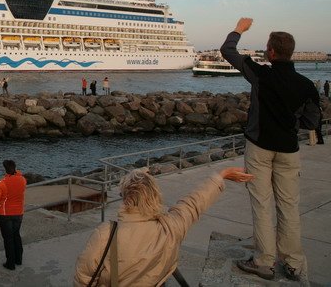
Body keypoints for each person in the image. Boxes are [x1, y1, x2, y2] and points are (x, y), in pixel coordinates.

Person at [221, 17, 320, 281]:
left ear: (272, 52)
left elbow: (227, 52)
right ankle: (293, 263)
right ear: (291, 53)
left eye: (267, 47)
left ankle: (264, 261)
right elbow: (312, 121)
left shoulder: (260, 74)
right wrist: (290, 123)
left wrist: (238, 29)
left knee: (262, 204)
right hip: (289, 150)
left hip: (259, 148)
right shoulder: (306, 85)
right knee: (288, 206)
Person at [73, 166, 254, 285]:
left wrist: (137, 176)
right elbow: (194, 203)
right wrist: (221, 176)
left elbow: (83, 278)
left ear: (124, 196)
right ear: (155, 196)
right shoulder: (170, 227)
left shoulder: (106, 233)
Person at [0, 159, 26, 270]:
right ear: (15, 167)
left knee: (8, 238)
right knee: (16, 235)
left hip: (4, 214)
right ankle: (18, 259)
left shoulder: (2, 183)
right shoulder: (22, 180)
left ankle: (10, 263)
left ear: (4, 169)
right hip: (18, 213)